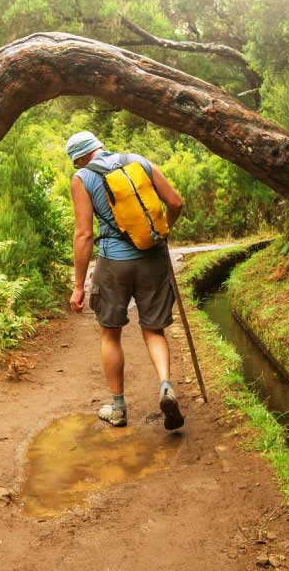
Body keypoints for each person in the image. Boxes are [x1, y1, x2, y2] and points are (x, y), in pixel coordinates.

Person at [65, 130, 186, 429]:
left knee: (110, 333)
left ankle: (118, 408)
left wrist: (79, 286)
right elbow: (176, 203)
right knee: (154, 329)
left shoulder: (82, 178)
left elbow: (84, 234)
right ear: (99, 147)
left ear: (79, 158)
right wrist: (159, 233)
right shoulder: (138, 162)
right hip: (153, 257)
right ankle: (165, 386)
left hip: (113, 263)